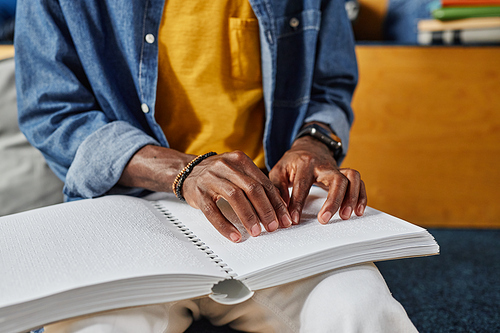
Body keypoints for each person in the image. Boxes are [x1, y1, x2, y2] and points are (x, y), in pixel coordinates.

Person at [15, 0, 418, 331]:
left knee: (361, 309)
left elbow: (328, 86)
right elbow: (52, 111)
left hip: (274, 212)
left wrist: (315, 143)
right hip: (127, 210)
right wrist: (184, 170)